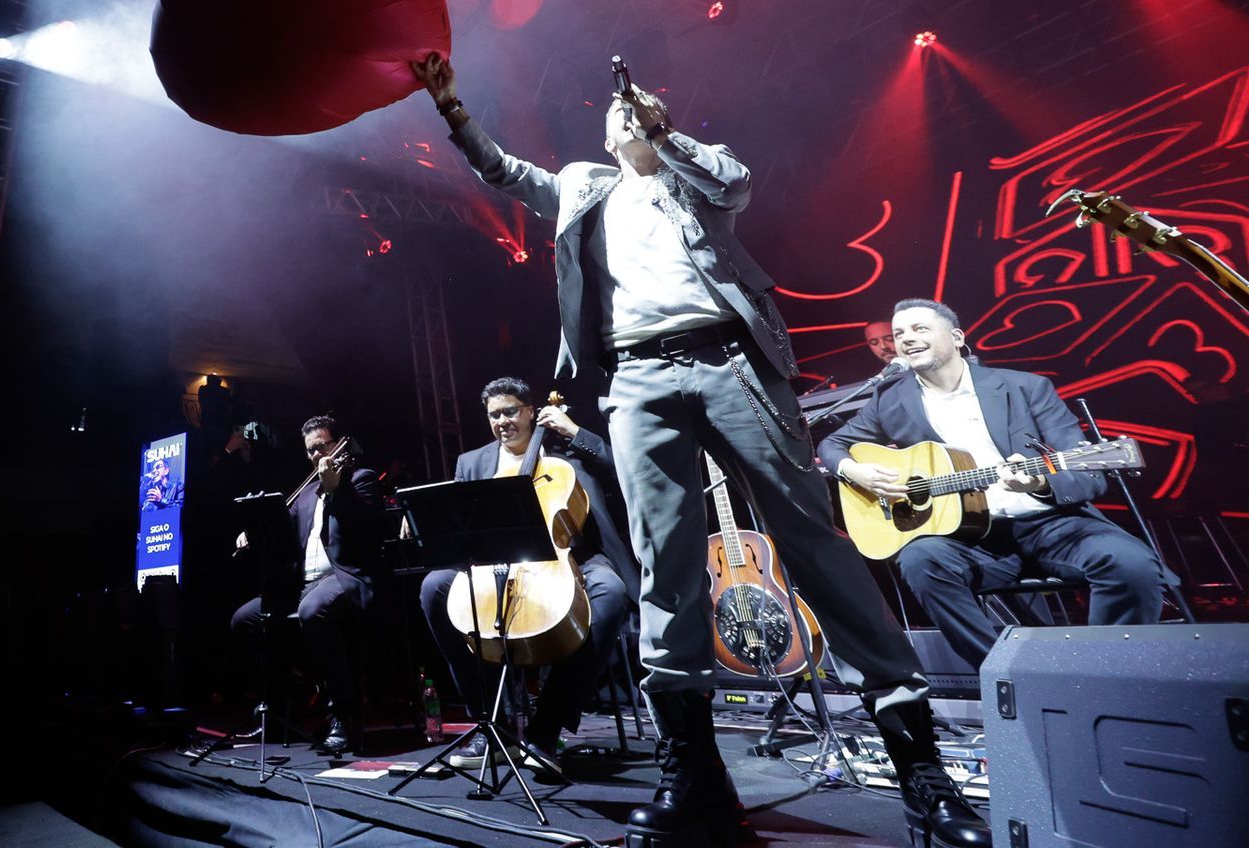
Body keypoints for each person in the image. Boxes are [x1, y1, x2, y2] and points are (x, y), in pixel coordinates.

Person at [414, 53, 989, 848]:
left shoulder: (694, 170)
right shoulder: (583, 185)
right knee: (665, 560)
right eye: (617, 114)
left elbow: (734, 184)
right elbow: (505, 172)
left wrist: (664, 133)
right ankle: (695, 775)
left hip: (731, 362)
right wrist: (453, 110)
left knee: (811, 538)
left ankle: (920, 769)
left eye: (640, 109)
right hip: (636, 377)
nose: (624, 115)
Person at [821, 299, 1166, 670]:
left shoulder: (1025, 387)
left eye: (919, 328)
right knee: (920, 560)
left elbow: (1087, 474)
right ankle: (1007, 674)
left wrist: (1039, 483)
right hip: (968, 538)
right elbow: (831, 445)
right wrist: (853, 470)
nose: (906, 339)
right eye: (899, 332)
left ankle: (1109, 673)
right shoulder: (890, 400)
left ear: (957, 337)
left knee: (1132, 565)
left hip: (1051, 524)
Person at [417, 377, 638, 777]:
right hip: (495, 562)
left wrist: (575, 431)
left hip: (572, 554)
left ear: (531, 411)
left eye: (510, 411)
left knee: (610, 592)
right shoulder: (472, 462)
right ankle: (492, 724)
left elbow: (622, 470)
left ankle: (545, 729)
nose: (502, 421)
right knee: (434, 588)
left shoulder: (567, 450)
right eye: (494, 415)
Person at [228, 417, 382, 754]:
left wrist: (337, 489)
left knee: (313, 610)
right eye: (311, 450)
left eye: (323, 446)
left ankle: (343, 714)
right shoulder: (305, 494)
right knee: (245, 619)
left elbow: (367, 529)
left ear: (338, 444)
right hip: (303, 584)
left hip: (343, 579)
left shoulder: (361, 479)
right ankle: (281, 710)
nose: (317, 454)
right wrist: (253, 534)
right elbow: (283, 537)